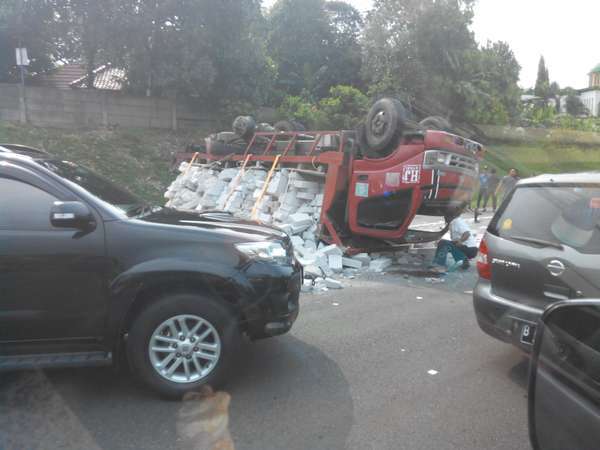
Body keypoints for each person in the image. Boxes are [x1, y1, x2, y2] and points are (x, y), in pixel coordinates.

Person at [432, 208, 478, 272]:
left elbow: (467, 234)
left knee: (443, 243)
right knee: (448, 243)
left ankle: (439, 265)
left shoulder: (457, 222)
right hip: (469, 248)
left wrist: (460, 241)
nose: (445, 219)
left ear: (450, 216)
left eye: (445, 217)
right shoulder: (453, 222)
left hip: (470, 249)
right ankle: (464, 260)